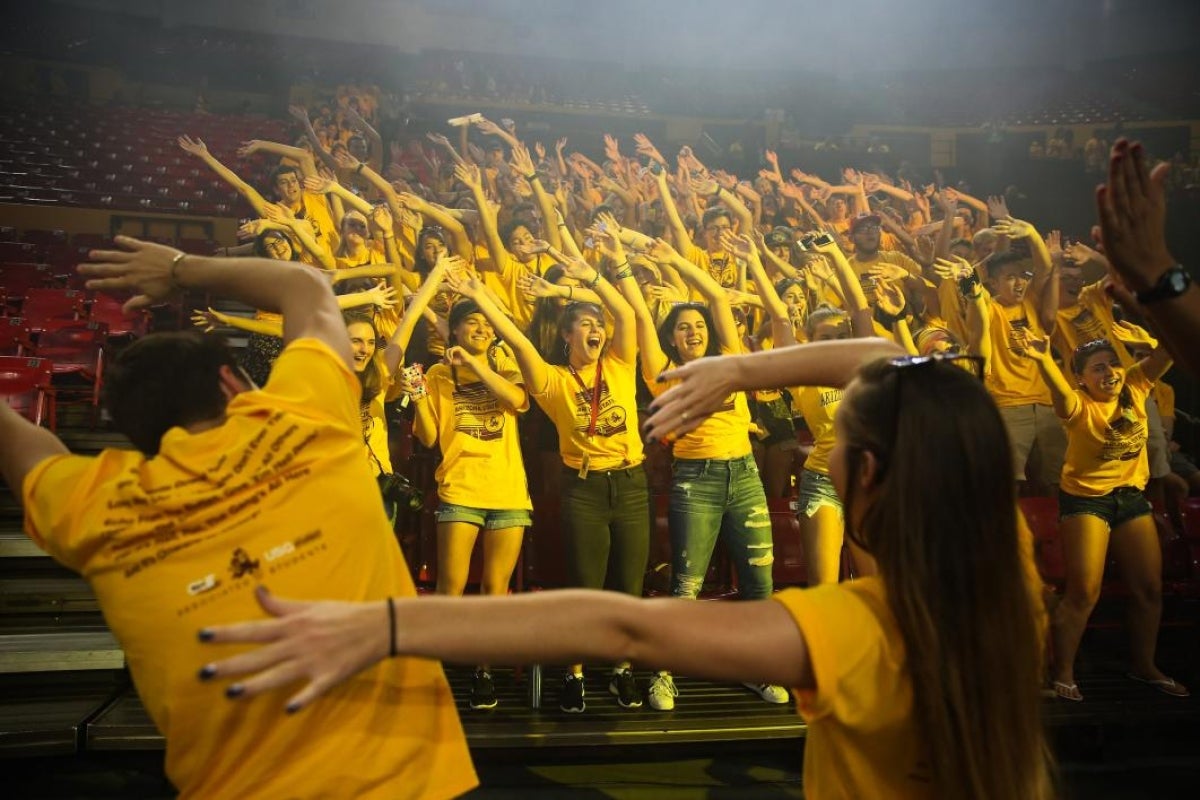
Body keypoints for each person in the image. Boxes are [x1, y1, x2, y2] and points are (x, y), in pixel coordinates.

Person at [195, 338, 1053, 800]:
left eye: (834, 445)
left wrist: (383, 625)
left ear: (867, 477)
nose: (821, 451)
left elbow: (624, 624)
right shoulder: (1008, 574)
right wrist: (741, 371)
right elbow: (895, 368)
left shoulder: (867, 630)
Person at [0, 237, 475, 799]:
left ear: (134, 434)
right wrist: (180, 268)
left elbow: (24, 447)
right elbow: (304, 285)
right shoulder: (310, 417)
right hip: (409, 782)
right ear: (233, 382)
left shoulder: (97, 507)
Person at [440, 254, 650, 715]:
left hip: (632, 484)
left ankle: (621, 670)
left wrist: (580, 283)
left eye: (598, 323)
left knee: (629, 586)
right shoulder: (552, 380)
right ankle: (573, 675)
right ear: (566, 335)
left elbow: (629, 313)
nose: (596, 330)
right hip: (585, 488)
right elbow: (516, 341)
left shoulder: (618, 363)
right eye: (584, 325)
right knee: (583, 585)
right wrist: (481, 298)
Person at [614, 231, 786, 711]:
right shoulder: (663, 370)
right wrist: (625, 269)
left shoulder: (730, 360)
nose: (694, 332)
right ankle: (663, 673)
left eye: (698, 326)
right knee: (685, 584)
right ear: (672, 338)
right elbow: (641, 318)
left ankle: (758, 666)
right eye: (683, 328)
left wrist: (675, 259)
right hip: (697, 481)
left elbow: (714, 295)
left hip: (744, 476)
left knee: (760, 582)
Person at [1025, 336, 1189, 701]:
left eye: (1113, 365)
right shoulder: (1078, 404)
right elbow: (1060, 393)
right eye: (1098, 368)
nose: (1110, 373)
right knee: (1084, 592)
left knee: (1148, 589)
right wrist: (1041, 359)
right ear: (1081, 378)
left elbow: (1169, 351)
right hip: (1086, 501)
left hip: (1130, 498)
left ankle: (1145, 666)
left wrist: (1144, 322)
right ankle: (1063, 672)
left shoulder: (1135, 383)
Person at [404, 296, 531, 711]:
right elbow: (427, 437)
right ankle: (434, 670)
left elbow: (516, 401)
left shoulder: (506, 366)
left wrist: (478, 363)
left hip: (508, 492)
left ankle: (483, 669)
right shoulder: (439, 375)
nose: (482, 329)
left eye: (486, 324)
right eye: (472, 323)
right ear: (453, 330)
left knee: (496, 591)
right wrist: (420, 398)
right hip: (460, 489)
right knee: (450, 589)